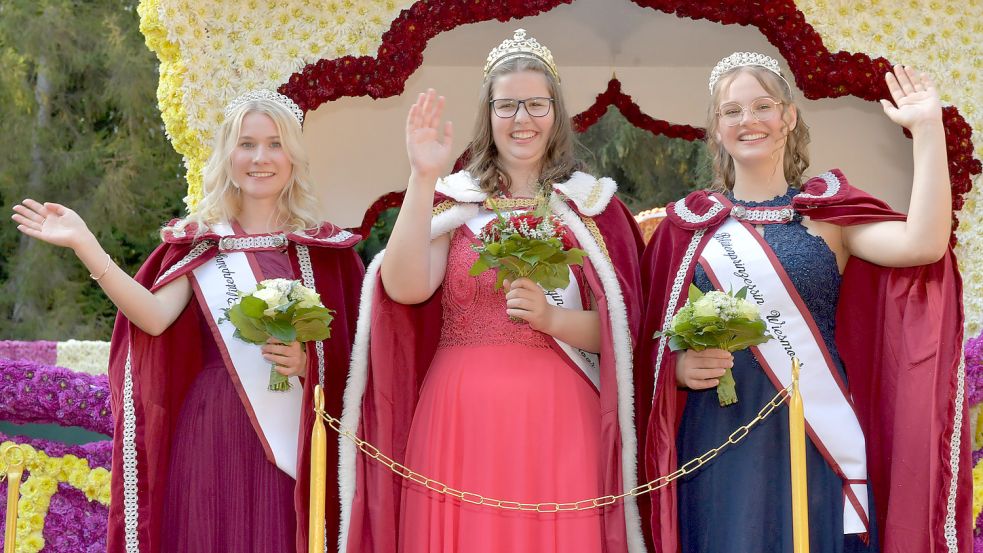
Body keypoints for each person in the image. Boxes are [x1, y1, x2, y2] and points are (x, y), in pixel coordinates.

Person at [638, 52, 970, 553]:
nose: (748, 121)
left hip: (815, 429)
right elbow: (643, 344)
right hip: (718, 432)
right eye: (732, 112)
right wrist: (680, 369)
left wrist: (927, 129)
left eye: (763, 106)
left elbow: (923, 244)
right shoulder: (686, 228)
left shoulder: (825, 216)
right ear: (716, 128)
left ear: (789, 117)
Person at [11, 89, 365, 553]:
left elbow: (358, 361)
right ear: (228, 155)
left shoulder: (326, 252)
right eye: (247, 144)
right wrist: (86, 245)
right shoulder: (200, 242)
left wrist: (308, 362)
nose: (261, 158)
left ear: (294, 157)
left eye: (275, 144)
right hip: (210, 429)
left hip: (291, 435)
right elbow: (154, 319)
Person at [337, 29, 647, 553]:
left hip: (560, 415)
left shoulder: (594, 207)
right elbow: (406, 288)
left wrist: (553, 321)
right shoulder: (456, 200)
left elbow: (625, 335)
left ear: (556, 111)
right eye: (507, 106)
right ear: (488, 114)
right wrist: (421, 176)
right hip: (460, 416)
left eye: (535, 104)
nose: (522, 119)